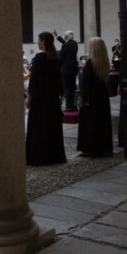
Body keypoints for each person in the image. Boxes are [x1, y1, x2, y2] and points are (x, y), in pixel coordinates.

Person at [25, 31, 67, 165]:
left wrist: (29, 97)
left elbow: (35, 81)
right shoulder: (55, 58)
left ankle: (39, 156)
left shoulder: (39, 58)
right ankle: (54, 156)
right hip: (53, 98)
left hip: (40, 99)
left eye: (38, 40)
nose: (37, 42)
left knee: (40, 128)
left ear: (43, 42)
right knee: (52, 127)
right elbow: (58, 80)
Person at [77, 37, 113, 157]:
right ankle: (103, 147)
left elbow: (85, 83)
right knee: (101, 121)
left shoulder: (90, 63)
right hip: (101, 95)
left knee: (90, 122)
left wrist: (81, 97)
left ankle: (90, 148)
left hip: (91, 96)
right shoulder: (104, 62)